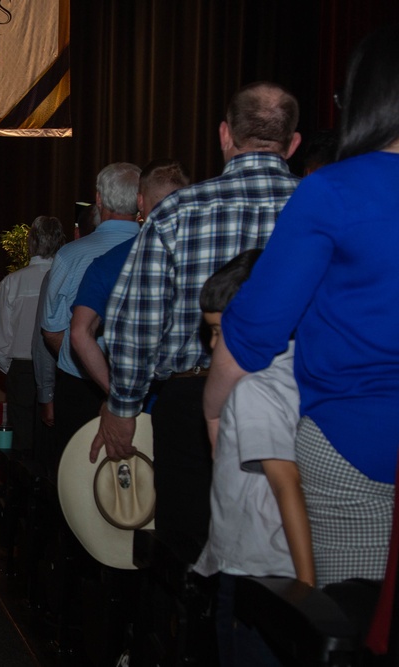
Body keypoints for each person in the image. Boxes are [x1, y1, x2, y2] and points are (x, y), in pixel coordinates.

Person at [207, 26, 399, 588]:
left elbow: (252, 332)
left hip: (354, 444)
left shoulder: (334, 191)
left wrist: (215, 409)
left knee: (351, 622)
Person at [93, 81, 302, 558]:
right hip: (299, 399)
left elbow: (136, 324)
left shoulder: (177, 213)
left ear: (225, 136)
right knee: (284, 552)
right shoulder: (324, 209)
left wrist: (124, 407)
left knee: (184, 554)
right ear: (292, 144)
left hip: (191, 399)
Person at [192, 250, 312, 667]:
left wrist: (306, 594)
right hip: (268, 562)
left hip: (255, 568)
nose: (211, 346)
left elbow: (286, 483)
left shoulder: (253, 391)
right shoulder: (301, 367)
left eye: (218, 333)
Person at [39, 162, 142, 471]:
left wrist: (82, 360)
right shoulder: (163, 248)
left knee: (77, 483)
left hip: (80, 387)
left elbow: (52, 329)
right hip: (143, 387)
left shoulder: (71, 255)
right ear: (141, 199)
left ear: (99, 201)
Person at [70, 160, 189, 393]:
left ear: (140, 202)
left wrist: (114, 392)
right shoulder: (212, 253)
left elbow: (79, 332)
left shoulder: (112, 262)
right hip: (201, 393)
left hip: (139, 393)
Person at [0, 216, 66, 454]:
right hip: (60, 370)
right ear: (61, 242)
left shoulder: (12, 282)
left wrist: (13, 369)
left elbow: (0, 342)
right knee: (54, 445)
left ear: (31, 242)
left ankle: (23, 490)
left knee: (22, 446)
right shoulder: (67, 279)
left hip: (21, 370)